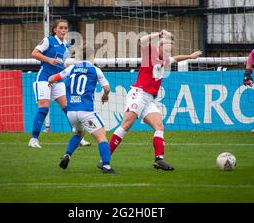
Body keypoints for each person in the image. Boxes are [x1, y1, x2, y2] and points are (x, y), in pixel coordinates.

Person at [105, 30, 203, 171]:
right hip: (138, 94)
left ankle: (159, 159)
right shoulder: (150, 54)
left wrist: (191, 56)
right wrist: (159, 33)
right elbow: (143, 40)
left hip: (149, 99)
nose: (169, 52)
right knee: (126, 125)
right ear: (159, 47)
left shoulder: (165, 60)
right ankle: (105, 159)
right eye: (167, 49)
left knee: (159, 126)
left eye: (170, 50)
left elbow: (176, 58)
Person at [48, 43, 115, 174]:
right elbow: (107, 88)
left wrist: (51, 82)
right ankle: (106, 166)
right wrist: (105, 96)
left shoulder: (71, 68)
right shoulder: (95, 70)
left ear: (78, 56)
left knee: (79, 133)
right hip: (86, 111)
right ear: (92, 56)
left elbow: (52, 78)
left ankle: (67, 155)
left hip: (71, 112)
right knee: (101, 136)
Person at [29, 19, 90, 148]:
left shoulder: (65, 45)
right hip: (44, 78)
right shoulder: (48, 40)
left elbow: (61, 63)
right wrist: (48, 59)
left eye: (65, 28)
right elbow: (34, 53)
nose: (63, 30)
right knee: (44, 109)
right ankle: (33, 139)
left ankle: (78, 137)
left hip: (57, 80)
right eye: (61, 28)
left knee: (69, 109)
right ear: (55, 29)